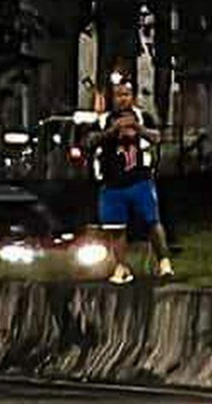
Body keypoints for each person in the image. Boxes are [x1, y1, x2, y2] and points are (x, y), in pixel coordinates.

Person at [86, 77, 173, 283]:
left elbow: (157, 137)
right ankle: (121, 266)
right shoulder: (103, 119)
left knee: (152, 221)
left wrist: (138, 129)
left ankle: (164, 262)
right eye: (118, 95)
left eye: (126, 95)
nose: (122, 99)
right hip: (112, 182)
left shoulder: (142, 117)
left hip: (140, 179)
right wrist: (112, 131)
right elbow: (89, 140)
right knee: (116, 228)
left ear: (132, 97)